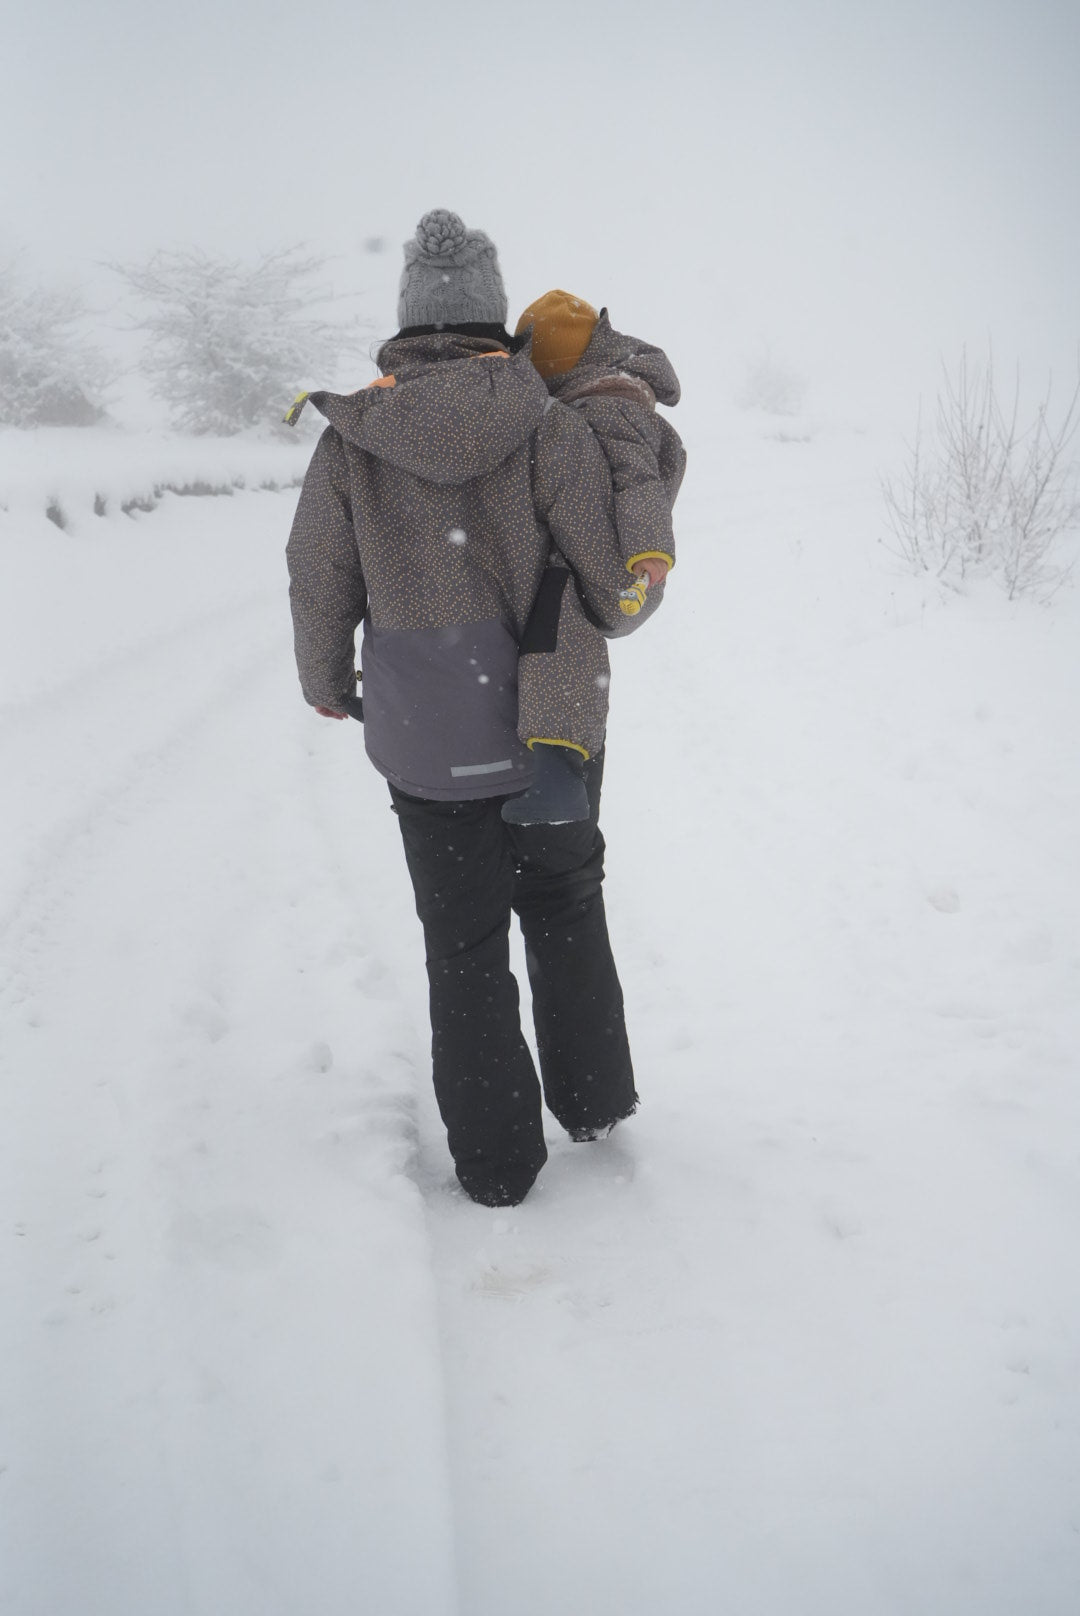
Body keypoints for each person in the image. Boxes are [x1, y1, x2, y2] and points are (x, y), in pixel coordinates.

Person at [286, 210, 669, 1207]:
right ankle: (591, 1098)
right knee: (565, 906)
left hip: (422, 736)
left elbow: (318, 576)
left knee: (461, 950)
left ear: (407, 322)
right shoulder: (548, 428)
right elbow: (606, 584)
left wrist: (329, 680)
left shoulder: (351, 442)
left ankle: (497, 1166)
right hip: (546, 731)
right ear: (494, 319)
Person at [504, 289, 686, 825]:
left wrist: (648, 551)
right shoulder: (588, 404)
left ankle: (555, 773)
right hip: (580, 550)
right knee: (554, 641)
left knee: (559, 642)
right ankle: (553, 769)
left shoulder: (609, 407)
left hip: (608, 565)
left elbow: (638, 484)